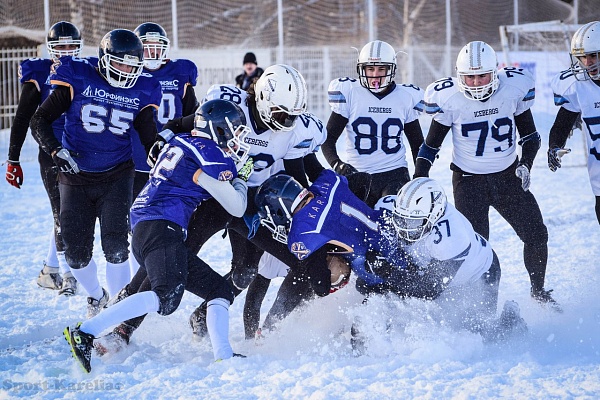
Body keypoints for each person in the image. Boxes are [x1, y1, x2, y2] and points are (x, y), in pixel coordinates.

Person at [100, 65, 328, 348]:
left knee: (245, 270)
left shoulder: (292, 133)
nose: (288, 122)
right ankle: (122, 328)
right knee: (173, 257)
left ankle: (204, 313)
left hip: (252, 204)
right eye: (283, 114)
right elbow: (185, 124)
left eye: (293, 116)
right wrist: (163, 138)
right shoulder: (231, 107)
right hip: (210, 198)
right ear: (264, 99)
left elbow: (299, 174)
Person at [63, 99, 252, 373]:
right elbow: (236, 206)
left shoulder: (182, 142)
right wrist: (240, 180)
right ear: (217, 129)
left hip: (153, 226)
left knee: (218, 290)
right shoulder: (209, 152)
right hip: (161, 226)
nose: (236, 141)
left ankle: (224, 354)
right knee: (165, 297)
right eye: (233, 132)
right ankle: (87, 330)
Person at [413, 41, 560, 311]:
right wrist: (419, 176)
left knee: (536, 234)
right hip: (469, 182)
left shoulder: (512, 90)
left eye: (482, 75)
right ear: (459, 75)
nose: (477, 82)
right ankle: (477, 305)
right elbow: (431, 146)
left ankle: (538, 291)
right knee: (474, 250)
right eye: (470, 76)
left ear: (496, 72)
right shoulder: (449, 98)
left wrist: (526, 163)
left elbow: (531, 137)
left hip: (508, 177)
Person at [30, 29, 162, 318]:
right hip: (75, 174)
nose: (127, 70)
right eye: (121, 63)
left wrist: (157, 149)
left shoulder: (142, 89)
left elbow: (147, 133)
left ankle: (118, 310)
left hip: (117, 174)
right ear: (105, 59)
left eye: (132, 65)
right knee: (75, 254)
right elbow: (39, 119)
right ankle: (97, 296)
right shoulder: (78, 76)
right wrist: (54, 150)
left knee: (116, 245)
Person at [350, 178, 526, 354]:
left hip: (479, 273)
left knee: (479, 335)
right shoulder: (388, 205)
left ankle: (510, 323)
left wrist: (387, 272)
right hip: (429, 267)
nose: (403, 229)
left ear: (434, 216)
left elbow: (427, 290)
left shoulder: (451, 237)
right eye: (400, 219)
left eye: (412, 222)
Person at [252, 170, 399, 334]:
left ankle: (270, 329)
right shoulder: (326, 182)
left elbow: (321, 286)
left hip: (381, 272)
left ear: (281, 208)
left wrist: (329, 253)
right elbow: (363, 179)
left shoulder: (302, 233)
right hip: (391, 231)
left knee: (360, 339)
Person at [5, 21, 83, 296]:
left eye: (71, 46)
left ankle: (49, 270)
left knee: (72, 211)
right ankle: (66, 274)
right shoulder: (39, 72)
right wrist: (13, 158)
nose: (65, 51)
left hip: (82, 149)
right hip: (51, 150)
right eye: (60, 46)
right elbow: (24, 116)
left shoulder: (86, 68)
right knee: (63, 212)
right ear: (50, 48)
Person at [127, 22, 199, 277]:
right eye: (147, 48)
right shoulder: (126, 74)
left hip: (172, 164)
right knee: (138, 227)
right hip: (135, 161)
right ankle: (139, 283)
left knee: (170, 224)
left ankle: (161, 274)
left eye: (157, 48)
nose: (152, 54)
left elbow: (193, 116)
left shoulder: (180, 74)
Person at [322, 40, 424, 207]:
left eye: (381, 69)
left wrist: (420, 175)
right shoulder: (350, 93)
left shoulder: (406, 96)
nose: (375, 74)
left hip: (394, 174)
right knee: (356, 229)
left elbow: (417, 144)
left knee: (390, 224)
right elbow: (328, 138)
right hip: (358, 176)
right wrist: (337, 164)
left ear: (392, 69)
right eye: (370, 68)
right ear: (361, 68)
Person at [548, 21, 600, 224]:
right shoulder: (577, 87)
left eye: (594, 55)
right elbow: (561, 124)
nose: (587, 63)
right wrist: (554, 147)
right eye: (583, 57)